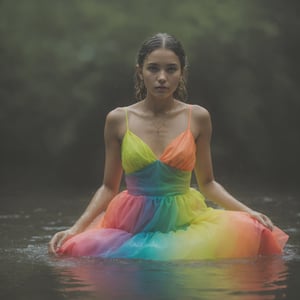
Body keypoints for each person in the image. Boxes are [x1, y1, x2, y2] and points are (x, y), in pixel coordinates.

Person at [48, 33, 288, 260]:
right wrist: (75, 228)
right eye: (153, 68)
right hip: (132, 225)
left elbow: (208, 184)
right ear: (140, 72)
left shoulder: (198, 117)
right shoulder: (118, 119)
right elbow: (108, 187)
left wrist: (249, 212)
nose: (162, 77)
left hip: (183, 222)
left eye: (171, 69)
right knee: (72, 250)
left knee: (254, 230)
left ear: (181, 73)